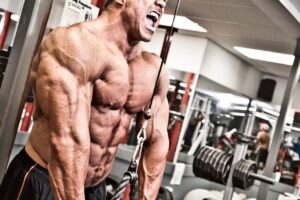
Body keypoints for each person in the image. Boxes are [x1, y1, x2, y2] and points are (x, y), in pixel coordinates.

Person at [0, 0, 170, 199]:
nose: (161, 3)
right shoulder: (75, 46)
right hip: (44, 179)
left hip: (95, 188)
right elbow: (67, 142)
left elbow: (157, 140)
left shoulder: (153, 70)